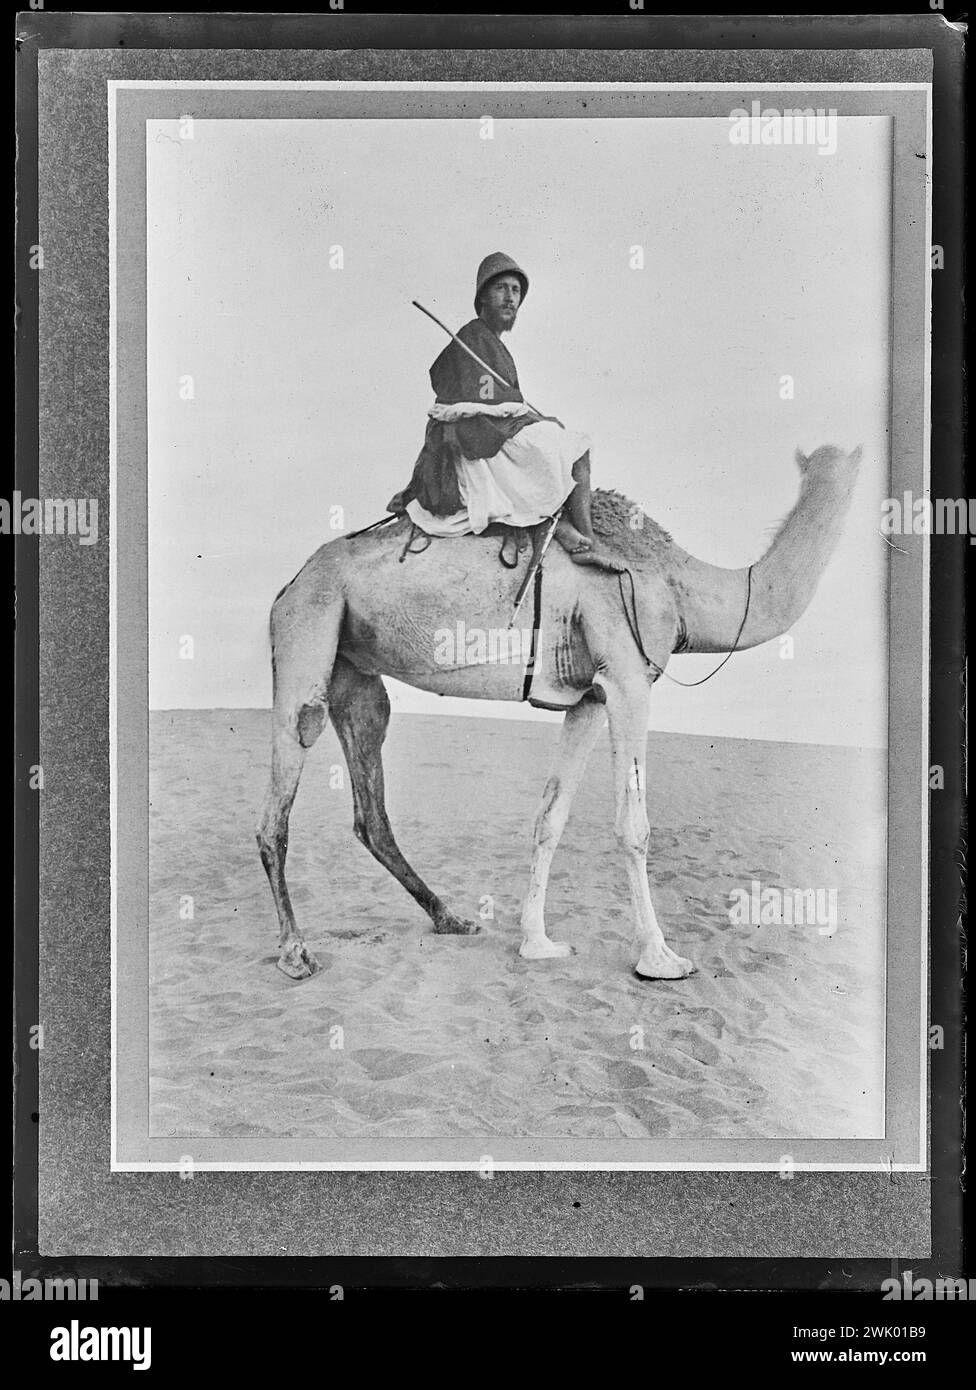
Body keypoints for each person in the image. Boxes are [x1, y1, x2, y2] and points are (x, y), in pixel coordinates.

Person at [387, 252, 624, 570]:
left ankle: (556, 523)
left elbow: (500, 401)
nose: (510, 298)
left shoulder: (492, 344)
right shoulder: (473, 338)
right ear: (483, 296)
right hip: (478, 440)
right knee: (577, 447)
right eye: (501, 289)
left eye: (515, 290)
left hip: (489, 433)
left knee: (559, 437)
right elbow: (483, 403)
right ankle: (586, 540)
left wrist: (532, 418)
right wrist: (531, 419)